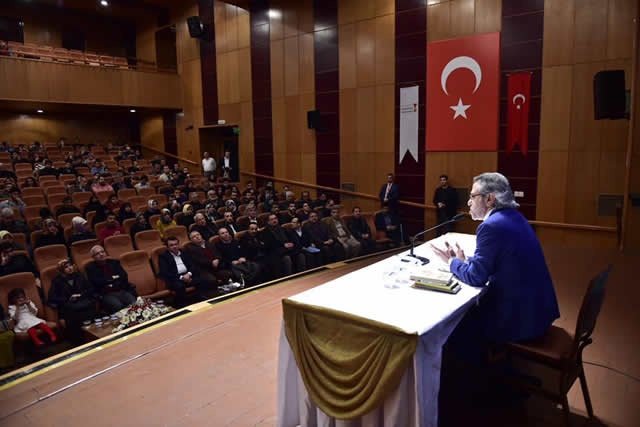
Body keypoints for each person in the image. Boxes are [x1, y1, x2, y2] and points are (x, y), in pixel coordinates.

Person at [430, 172, 560, 355]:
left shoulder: (491, 226)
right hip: (539, 312)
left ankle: (469, 370)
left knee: (453, 325)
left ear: (489, 199)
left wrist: (452, 262)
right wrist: (466, 261)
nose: (468, 202)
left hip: (520, 321)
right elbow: (499, 261)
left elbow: (476, 277)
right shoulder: (515, 217)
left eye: (472, 196)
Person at [47, 259, 96, 343]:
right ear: (61, 270)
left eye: (70, 266)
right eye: (66, 267)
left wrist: (81, 295)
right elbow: (52, 297)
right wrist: (68, 298)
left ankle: (92, 335)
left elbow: (90, 289)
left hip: (83, 301)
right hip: (68, 305)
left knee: (89, 307)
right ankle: (79, 340)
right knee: (73, 313)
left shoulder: (79, 276)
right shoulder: (57, 281)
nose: (69, 268)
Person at [85, 245, 137, 313]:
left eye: (102, 252)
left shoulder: (114, 262)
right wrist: (114, 279)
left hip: (120, 290)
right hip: (106, 294)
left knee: (134, 303)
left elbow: (123, 276)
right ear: (93, 257)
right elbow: (97, 282)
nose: (101, 254)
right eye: (97, 253)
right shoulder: (90, 268)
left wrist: (109, 281)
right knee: (118, 306)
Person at [157, 236, 204, 306]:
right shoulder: (163, 257)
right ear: (167, 247)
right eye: (171, 245)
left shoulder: (184, 252)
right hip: (175, 278)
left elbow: (192, 265)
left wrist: (189, 274)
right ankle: (184, 305)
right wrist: (182, 277)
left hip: (187, 275)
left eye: (176, 244)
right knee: (179, 286)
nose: (174, 246)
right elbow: (165, 272)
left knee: (202, 279)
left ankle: (201, 301)